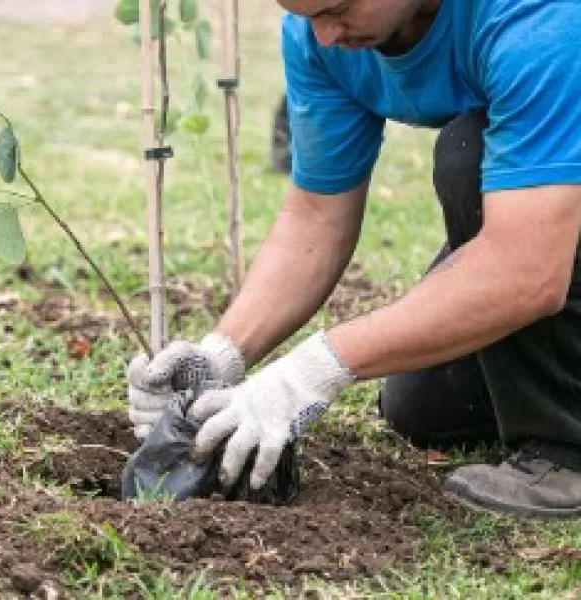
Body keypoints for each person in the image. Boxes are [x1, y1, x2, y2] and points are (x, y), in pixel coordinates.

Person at [128, 0, 581, 519]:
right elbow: (317, 217)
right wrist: (222, 354)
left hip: (549, 230)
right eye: (307, 16)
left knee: (467, 161)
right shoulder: (318, 39)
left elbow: (527, 270)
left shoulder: (538, 14)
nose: (322, 34)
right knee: (425, 408)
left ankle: (567, 453)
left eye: (338, 8)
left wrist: (312, 369)